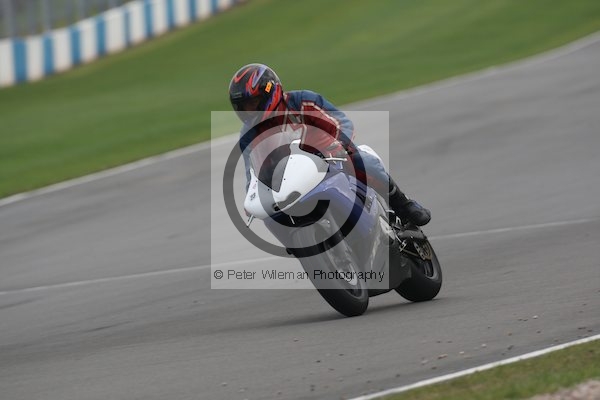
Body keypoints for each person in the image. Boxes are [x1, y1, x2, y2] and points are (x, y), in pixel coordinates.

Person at [228, 63, 431, 226]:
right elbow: (252, 172)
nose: (249, 111)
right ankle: (300, 249)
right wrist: (252, 199)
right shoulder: (248, 134)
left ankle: (403, 204)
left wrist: (338, 147)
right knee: (269, 216)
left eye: (253, 103)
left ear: (270, 92)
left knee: (363, 161)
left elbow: (340, 123)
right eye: (243, 107)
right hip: (290, 179)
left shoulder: (304, 101)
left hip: (330, 157)